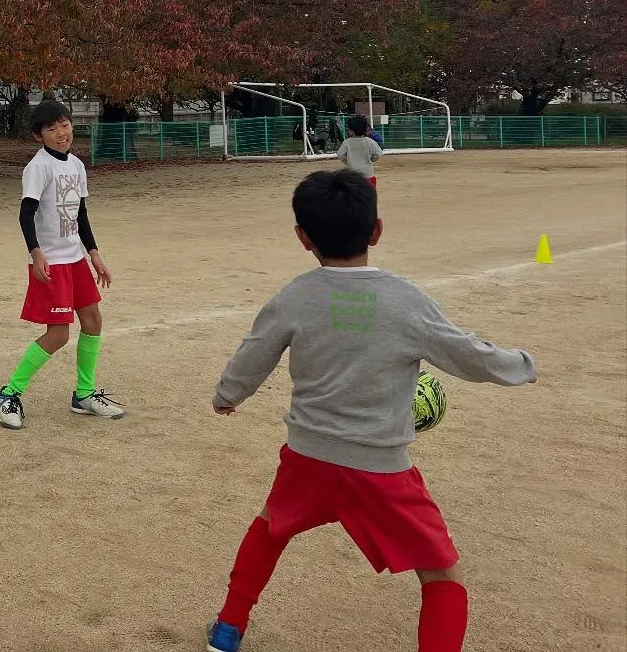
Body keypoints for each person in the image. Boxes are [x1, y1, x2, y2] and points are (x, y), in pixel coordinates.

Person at [205, 170, 537, 652]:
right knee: (442, 573)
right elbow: (466, 353)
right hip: (381, 467)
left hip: (309, 458)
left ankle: (228, 629)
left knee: (269, 528)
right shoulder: (406, 300)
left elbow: (254, 352)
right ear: (376, 231)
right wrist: (521, 365)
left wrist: (227, 395)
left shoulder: (295, 296)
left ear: (303, 238)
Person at [0, 99, 122, 429]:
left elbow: (80, 214)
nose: (60, 133)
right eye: (51, 129)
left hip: (75, 259)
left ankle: (84, 394)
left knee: (93, 320)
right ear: (40, 136)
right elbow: (25, 214)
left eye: (64, 125)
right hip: (51, 263)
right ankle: (10, 393)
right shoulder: (38, 168)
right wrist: (36, 252)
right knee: (59, 334)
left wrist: (93, 253)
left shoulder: (76, 166)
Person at [338, 114, 383, 187]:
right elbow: (378, 153)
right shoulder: (370, 141)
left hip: (352, 176)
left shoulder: (347, 142)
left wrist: (348, 162)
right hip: (368, 175)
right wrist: (371, 159)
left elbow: (340, 155)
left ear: (351, 131)